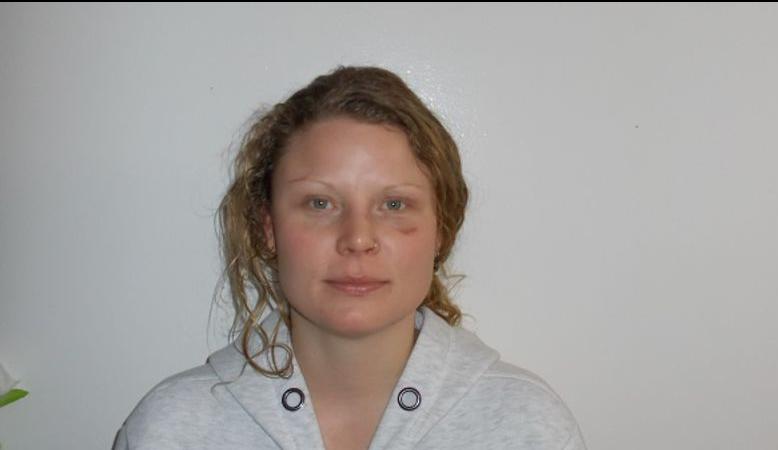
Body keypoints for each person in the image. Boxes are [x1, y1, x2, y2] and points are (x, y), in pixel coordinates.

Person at [113, 65, 587, 450]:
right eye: (320, 203)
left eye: (394, 204)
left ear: (441, 230)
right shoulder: (170, 431)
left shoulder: (527, 429)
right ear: (268, 228)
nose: (358, 239)